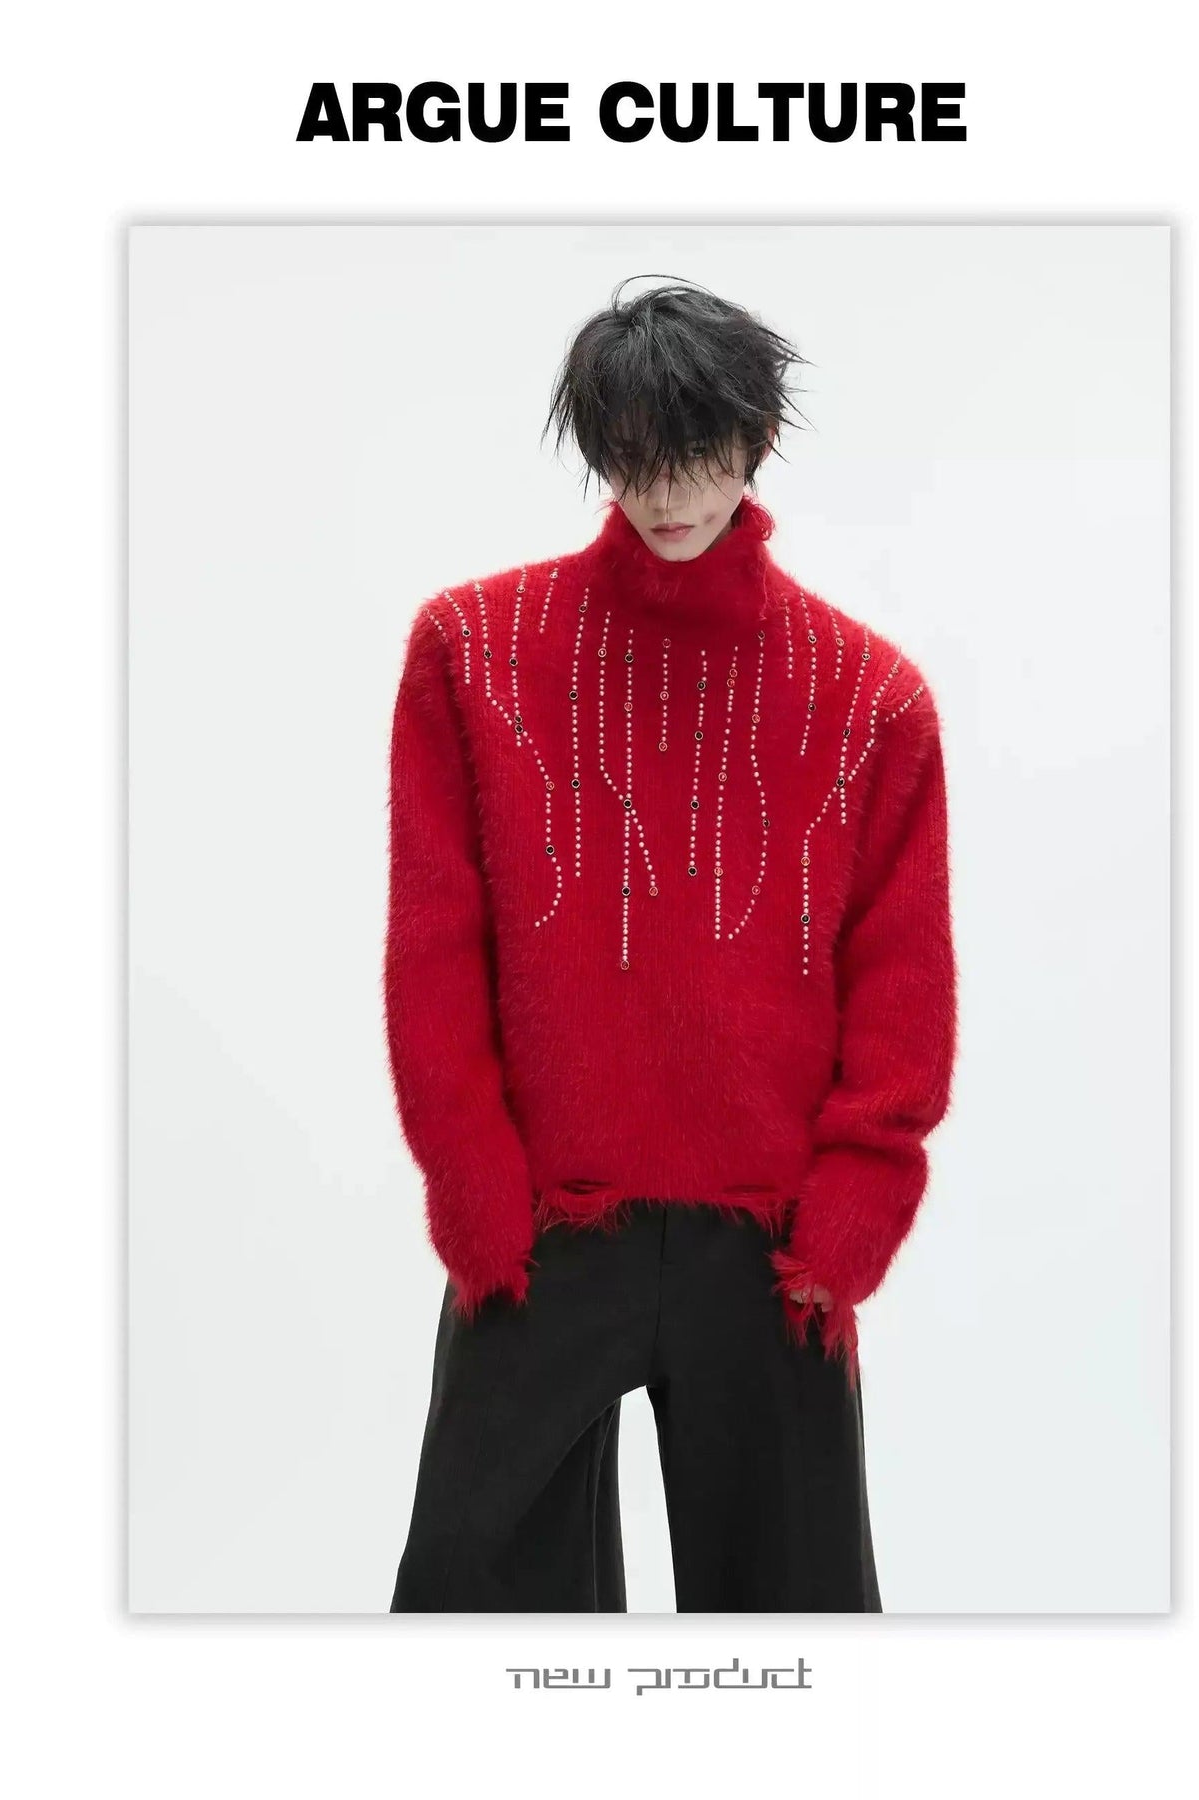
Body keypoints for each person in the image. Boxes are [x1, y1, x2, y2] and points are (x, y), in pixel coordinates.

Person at [384, 275, 958, 1612]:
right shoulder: (473, 653)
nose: (667, 493)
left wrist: (850, 1216)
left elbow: (902, 975)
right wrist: (473, 1190)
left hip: (774, 1249)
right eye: (632, 458)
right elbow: (434, 942)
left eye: (697, 453)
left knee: (796, 1633)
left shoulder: (872, 699)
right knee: (471, 1615)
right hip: (539, 1226)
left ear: (758, 440)